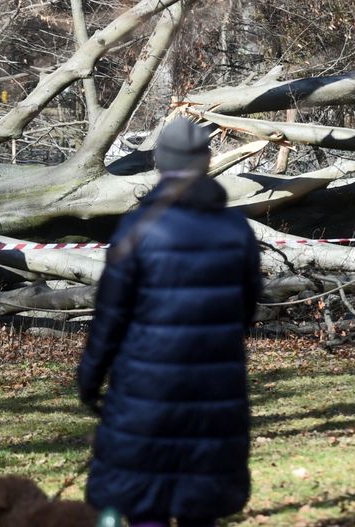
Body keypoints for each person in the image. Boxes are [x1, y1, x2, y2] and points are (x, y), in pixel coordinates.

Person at [77, 118, 262, 527]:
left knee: (146, 502)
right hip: (215, 389)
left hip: (146, 389)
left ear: (161, 162)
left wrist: (90, 379)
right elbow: (247, 309)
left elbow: (110, 316)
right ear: (205, 161)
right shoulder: (236, 228)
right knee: (201, 502)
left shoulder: (138, 227)